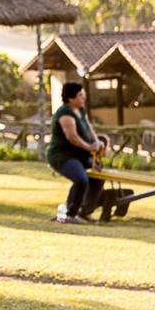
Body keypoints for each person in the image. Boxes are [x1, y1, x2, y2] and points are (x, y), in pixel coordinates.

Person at [46, 81, 105, 224]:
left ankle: (85, 212)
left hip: (80, 155)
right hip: (63, 155)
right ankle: (69, 215)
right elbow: (72, 137)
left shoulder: (80, 111)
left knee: (98, 177)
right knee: (81, 179)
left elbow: (89, 128)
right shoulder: (64, 113)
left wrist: (96, 141)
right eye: (81, 95)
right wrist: (89, 147)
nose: (84, 97)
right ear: (71, 98)